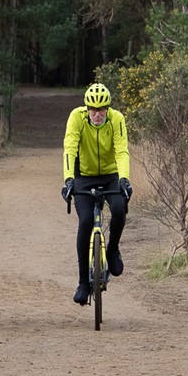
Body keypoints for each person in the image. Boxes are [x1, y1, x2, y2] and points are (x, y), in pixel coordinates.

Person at [61, 82, 132, 305]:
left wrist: (124, 179)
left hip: (110, 175)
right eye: (93, 109)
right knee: (86, 221)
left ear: (108, 109)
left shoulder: (117, 119)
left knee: (119, 209)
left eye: (102, 109)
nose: (97, 114)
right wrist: (68, 179)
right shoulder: (76, 117)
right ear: (87, 107)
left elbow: (121, 149)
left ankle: (112, 250)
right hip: (84, 176)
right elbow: (69, 148)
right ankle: (83, 282)